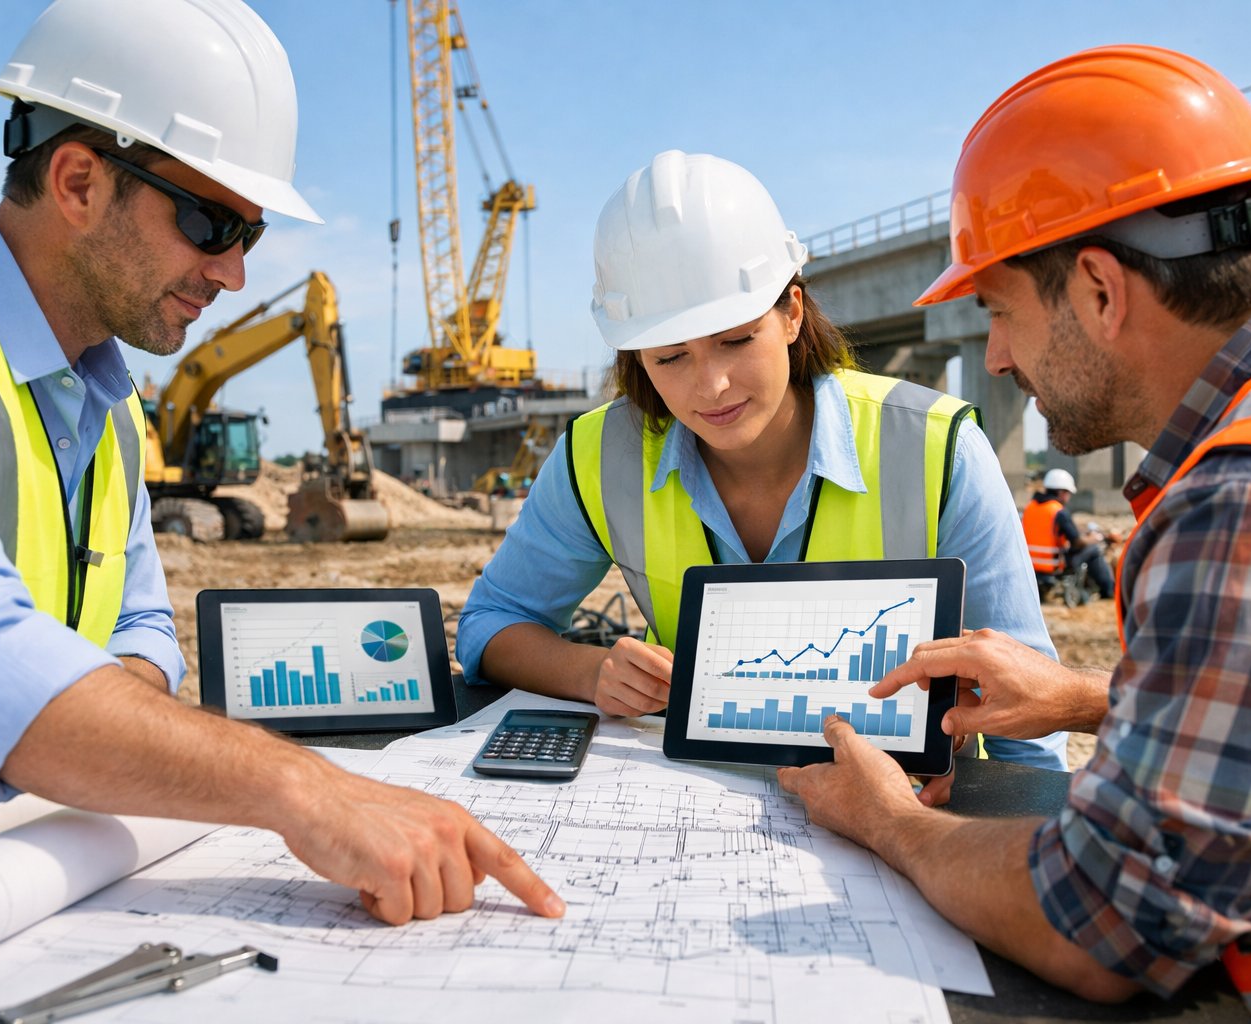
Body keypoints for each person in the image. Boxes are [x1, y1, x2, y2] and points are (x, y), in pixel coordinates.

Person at [778, 44, 1251, 1020]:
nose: (992, 357)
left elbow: (1109, 922)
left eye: (997, 310)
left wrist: (890, 818)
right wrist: (1088, 697)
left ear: (1100, 291)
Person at [0, 0, 560, 926]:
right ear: (78, 181)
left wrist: (106, 729)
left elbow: (139, 623)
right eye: (210, 224)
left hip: (21, 878)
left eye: (252, 235)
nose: (234, 273)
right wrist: (302, 788)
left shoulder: (111, 405)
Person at [457, 150, 1069, 779]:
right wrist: (589, 673)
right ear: (635, 357)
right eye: (670, 358)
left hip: (904, 810)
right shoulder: (598, 454)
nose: (712, 386)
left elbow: (1028, 716)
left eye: (735, 339)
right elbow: (489, 625)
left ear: (792, 313)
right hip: (696, 797)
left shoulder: (935, 449)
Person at [1023, 467, 1114, 599]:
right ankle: (1109, 591)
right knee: (1093, 550)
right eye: (1068, 493)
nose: (1068, 497)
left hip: (1031, 566)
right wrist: (1094, 538)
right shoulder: (1058, 511)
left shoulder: (1030, 508)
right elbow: (1077, 542)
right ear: (1061, 492)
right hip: (1053, 565)